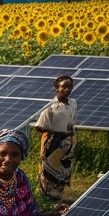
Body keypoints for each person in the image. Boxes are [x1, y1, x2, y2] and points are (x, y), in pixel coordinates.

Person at [36, 74, 77, 202]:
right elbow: (39, 126)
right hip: (53, 142)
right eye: (64, 86)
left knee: (64, 168)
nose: (67, 89)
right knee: (51, 169)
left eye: (70, 86)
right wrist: (54, 132)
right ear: (56, 88)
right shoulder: (51, 107)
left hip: (67, 141)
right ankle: (48, 196)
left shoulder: (73, 103)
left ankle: (59, 194)